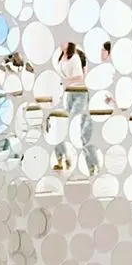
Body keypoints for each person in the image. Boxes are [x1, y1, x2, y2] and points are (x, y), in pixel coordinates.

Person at [53, 43, 98, 175]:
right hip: (69, 93)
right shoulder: (61, 56)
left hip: (80, 93)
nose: (61, 44)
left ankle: (93, 165)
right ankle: (62, 159)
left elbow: (80, 77)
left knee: (83, 133)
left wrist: (66, 81)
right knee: (60, 127)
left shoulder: (75, 57)